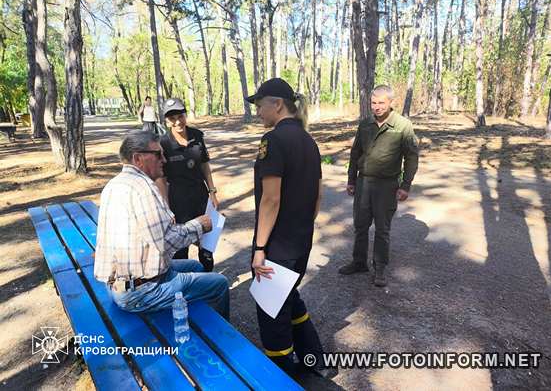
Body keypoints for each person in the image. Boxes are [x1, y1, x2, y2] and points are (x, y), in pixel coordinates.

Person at [94, 130, 229, 319]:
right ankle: (219, 340)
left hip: (122, 284)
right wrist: (200, 226)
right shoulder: (144, 187)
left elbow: (149, 235)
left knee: (196, 267)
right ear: (138, 158)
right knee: (220, 284)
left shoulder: (114, 184)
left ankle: (196, 321)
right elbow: (165, 243)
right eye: (158, 154)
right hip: (141, 292)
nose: (164, 160)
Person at [247, 78, 327, 378]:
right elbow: (318, 195)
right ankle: (312, 358)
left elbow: (270, 199)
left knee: (271, 311)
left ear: (277, 104)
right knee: (289, 295)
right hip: (300, 240)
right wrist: (303, 226)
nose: (258, 113)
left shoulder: (274, 141)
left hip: (277, 245)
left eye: (260, 105)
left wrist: (259, 248)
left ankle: (279, 376)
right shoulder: (309, 140)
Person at [338, 85, 419, 287]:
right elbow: (355, 152)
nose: (377, 107)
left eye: (381, 102)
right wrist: (351, 180)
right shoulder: (365, 124)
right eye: (373, 103)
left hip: (387, 185)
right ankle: (359, 262)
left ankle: (380, 267)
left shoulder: (403, 126)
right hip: (364, 181)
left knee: (382, 229)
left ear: (391, 102)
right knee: (360, 226)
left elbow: (411, 157)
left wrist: (405, 185)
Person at [155, 98, 218, 272]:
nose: (177, 122)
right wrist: (166, 207)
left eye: (180, 116)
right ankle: (183, 290)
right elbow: (161, 178)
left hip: (200, 196)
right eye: (172, 118)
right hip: (178, 200)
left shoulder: (197, 136)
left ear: (185, 115)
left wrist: (212, 192)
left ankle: (207, 281)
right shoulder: (163, 143)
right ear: (167, 121)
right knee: (180, 248)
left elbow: (204, 164)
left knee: (206, 246)